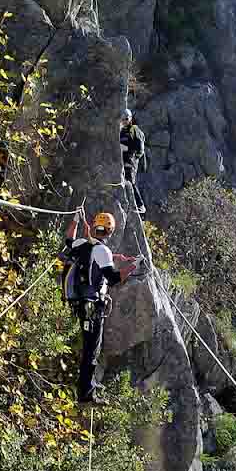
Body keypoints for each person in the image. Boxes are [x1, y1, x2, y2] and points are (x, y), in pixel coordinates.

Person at [65, 209, 143, 404]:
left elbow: (69, 240)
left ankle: (88, 384)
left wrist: (75, 220)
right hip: (92, 308)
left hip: (82, 303)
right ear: (110, 232)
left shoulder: (83, 244)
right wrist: (135, 265)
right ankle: (86, 394)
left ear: (93, 227)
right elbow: (113, 278)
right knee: (92, 350)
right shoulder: (102, 250)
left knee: (90, 348)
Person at [120, 108, 147, 214]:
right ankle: (130, 205)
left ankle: (141, 206)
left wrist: (132, 158)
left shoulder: (134, 129)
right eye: (123, 119)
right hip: (123, 161)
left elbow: (139, 149)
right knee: (126, 182)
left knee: (131, 182)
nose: (124, 121)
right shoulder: (122, 131)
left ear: (130, 119)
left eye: (126, 119)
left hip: (131, 161)